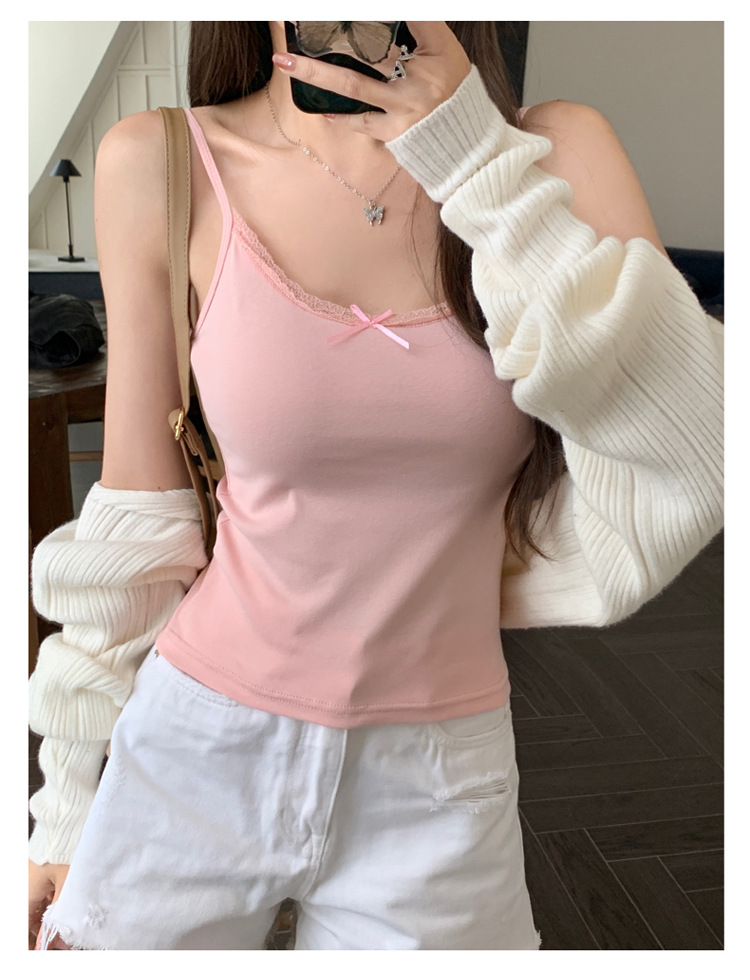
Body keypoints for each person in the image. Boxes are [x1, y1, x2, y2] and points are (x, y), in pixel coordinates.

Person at [28, 21, 723, 950]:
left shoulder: (551, 154)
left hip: (441, 778)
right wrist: (68, 804)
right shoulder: (164, 161)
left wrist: (473, 159)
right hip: (196, 744)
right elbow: (137, 515)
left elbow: (701, 446)